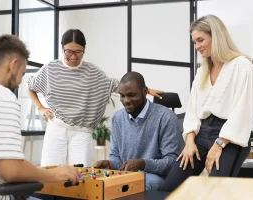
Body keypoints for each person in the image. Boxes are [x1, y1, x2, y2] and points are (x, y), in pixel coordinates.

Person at [0, 34, 80, 200]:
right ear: (13, 65)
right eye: (23, 74)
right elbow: (11, 170)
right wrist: (53, 173)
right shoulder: (2, 97)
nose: (19, 83)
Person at [28, 29, 163, 167]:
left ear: (84, 50)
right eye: (69, 51)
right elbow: (31, 86)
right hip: (56, 128)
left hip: (81, 132)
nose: (73, 57)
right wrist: (41, 107)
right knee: (50, 174)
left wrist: (147, 90)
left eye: (78, 52)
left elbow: (117, 86)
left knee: (80, 177)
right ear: (62, 48)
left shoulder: (92, 72)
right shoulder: (51, 68)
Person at [161, 15, 253, 192]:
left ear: (216, 36)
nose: (197, 47)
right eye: (194, 42)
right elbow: (192, 110)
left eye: (200, 40)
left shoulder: (242, 65)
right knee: (169, 189)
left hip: (229, 138)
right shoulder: (202, 70)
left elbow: (242, 111)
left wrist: (219, 144)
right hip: (200, 134)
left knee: (216, 191)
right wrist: (189, 142)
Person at [93, 72, 180, 191]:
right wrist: (109, 164)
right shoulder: (117, 118)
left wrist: (143, 163)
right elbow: (116, 157)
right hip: (127, 176)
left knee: (132, 187)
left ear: (145, 92)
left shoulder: (166, 117)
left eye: (131, 95)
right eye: (122, 96)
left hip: (156, 177)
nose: (126, 100)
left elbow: (171, 163)